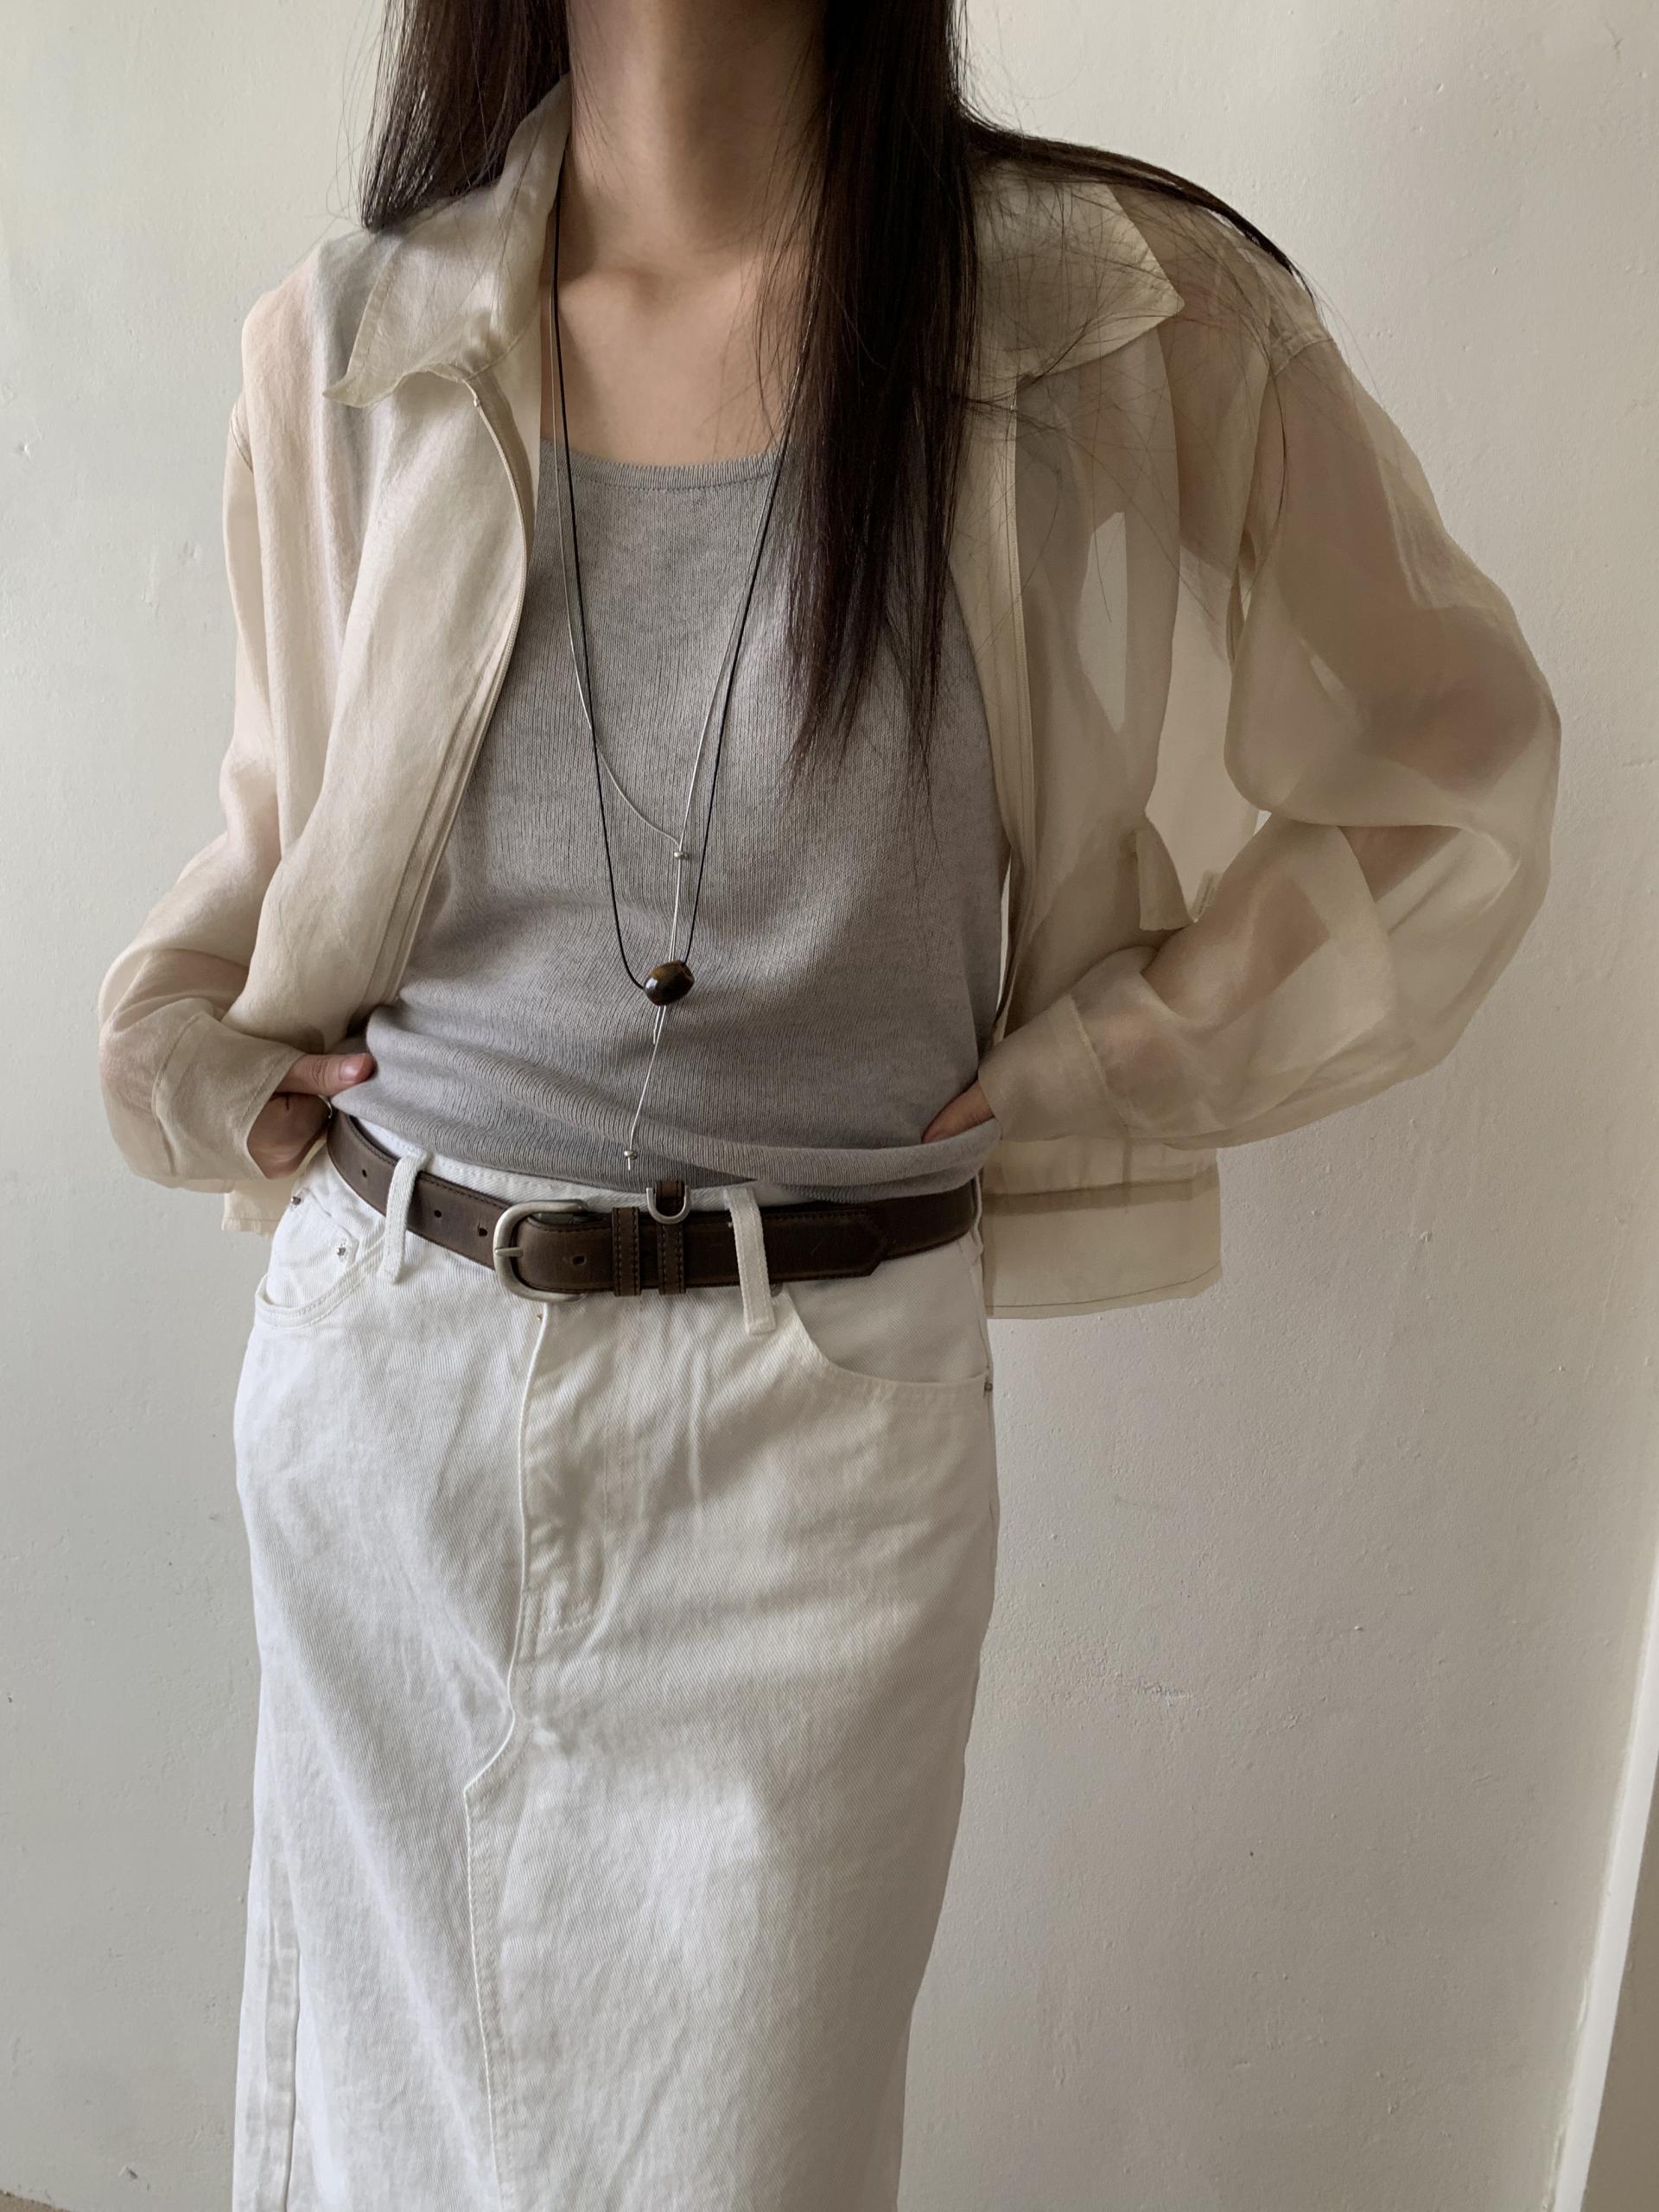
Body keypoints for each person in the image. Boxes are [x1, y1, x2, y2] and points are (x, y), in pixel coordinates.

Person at [95, 4, 1560, 2206]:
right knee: (382, 2147)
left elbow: (1452, 762)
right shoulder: (355, 342)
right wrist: (177, 1040)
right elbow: (287, 837)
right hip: (387, 1384)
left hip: (820, 1440)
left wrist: (1119, 1053)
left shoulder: (1110, 324)